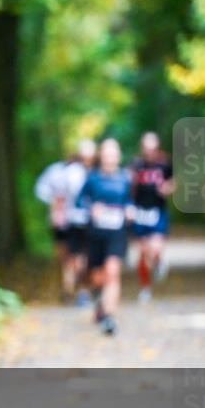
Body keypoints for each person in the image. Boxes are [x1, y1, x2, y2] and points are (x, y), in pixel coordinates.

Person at [76, 138, 134, 336]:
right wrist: (91, 209)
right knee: (98, 277)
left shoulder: (125, 178)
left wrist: (129, 210)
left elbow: (130, 201)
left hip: (117, 233)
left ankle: (109, 317)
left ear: (118, 156)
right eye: (107, 155)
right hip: (96, 234)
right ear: (102, 156)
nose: (110, 158)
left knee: (113, 271)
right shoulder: (92, 179)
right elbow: (79, 202)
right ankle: (100, 302)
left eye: (114, 155)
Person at [34, 140, 96, 305]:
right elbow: (42, 190)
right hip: (66, 222)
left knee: (81, 257)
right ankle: (69, 289)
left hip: (86, 222)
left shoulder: (95, 172)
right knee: (67, 257)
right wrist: (54, 203)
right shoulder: (61, 171)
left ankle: (80, 291)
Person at [129, 131, 175, 304]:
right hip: (140, 211)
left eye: (152, 149)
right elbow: (129, 185)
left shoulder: (164, 163)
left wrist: (167, 188)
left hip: (158, 211)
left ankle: (159, 261)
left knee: (154, 248)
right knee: (142, 253)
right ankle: (145, 287)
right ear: (142, 148)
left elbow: (173, 181)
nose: (149, 152)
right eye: (146, 149)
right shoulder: (136, 164)